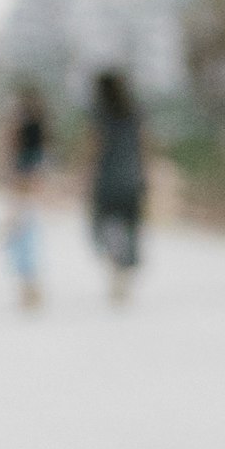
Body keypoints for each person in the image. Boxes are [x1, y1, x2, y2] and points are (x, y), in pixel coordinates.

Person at [83, 70, 147, 306]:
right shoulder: (135, 110)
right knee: (130, 227)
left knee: (105, 226)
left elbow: (94, 145)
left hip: (107, 179)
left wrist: (85, 173)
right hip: (132, 177)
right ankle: (124, 272)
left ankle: (116, 267)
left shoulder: (100, 113)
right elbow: (144, 143)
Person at [2, 80, 48, 312]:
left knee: (20, 234)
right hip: (27, 187)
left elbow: (16, 155)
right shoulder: (39, 128)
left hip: (23, 187)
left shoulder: (26, 128)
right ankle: (29, 287)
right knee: (23, 233)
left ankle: (28, 287)